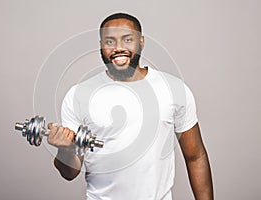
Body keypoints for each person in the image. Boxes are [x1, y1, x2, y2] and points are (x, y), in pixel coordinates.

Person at [46, 13, 213, 200]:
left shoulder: (174, 89)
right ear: (101, 46)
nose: (118, 48)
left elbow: (196, 157)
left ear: (141, 42)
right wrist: (65, 150)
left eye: (127, 40)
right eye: (109, 41)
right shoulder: (78, 95)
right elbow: (69, 173)